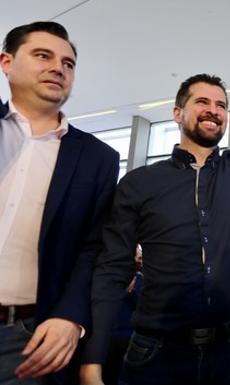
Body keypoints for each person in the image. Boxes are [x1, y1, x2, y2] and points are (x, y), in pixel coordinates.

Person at [79, 9, 230, 385]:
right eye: (203, 102)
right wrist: (92, 362)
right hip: (155, 355)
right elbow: (111, 271)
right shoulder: (139, 183)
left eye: (221, 105)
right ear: (178, 112)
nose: (214, 111)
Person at [0, 21, 119, 384]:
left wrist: (72, 316)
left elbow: (93, 249)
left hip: (28, 339)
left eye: (68, 64)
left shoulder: (97, 158)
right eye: (42, 56)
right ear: (6, 62)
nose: (58, 67)